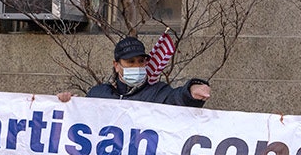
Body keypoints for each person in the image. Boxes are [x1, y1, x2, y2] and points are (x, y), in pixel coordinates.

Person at [56, 36, 212, 105]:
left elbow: (178, 99)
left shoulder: (159, 93)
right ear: (116, 65)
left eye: (141, 61)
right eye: (130, 62)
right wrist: (67, 104)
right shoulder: (97, 94)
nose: (137, 66)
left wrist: (192, 90)